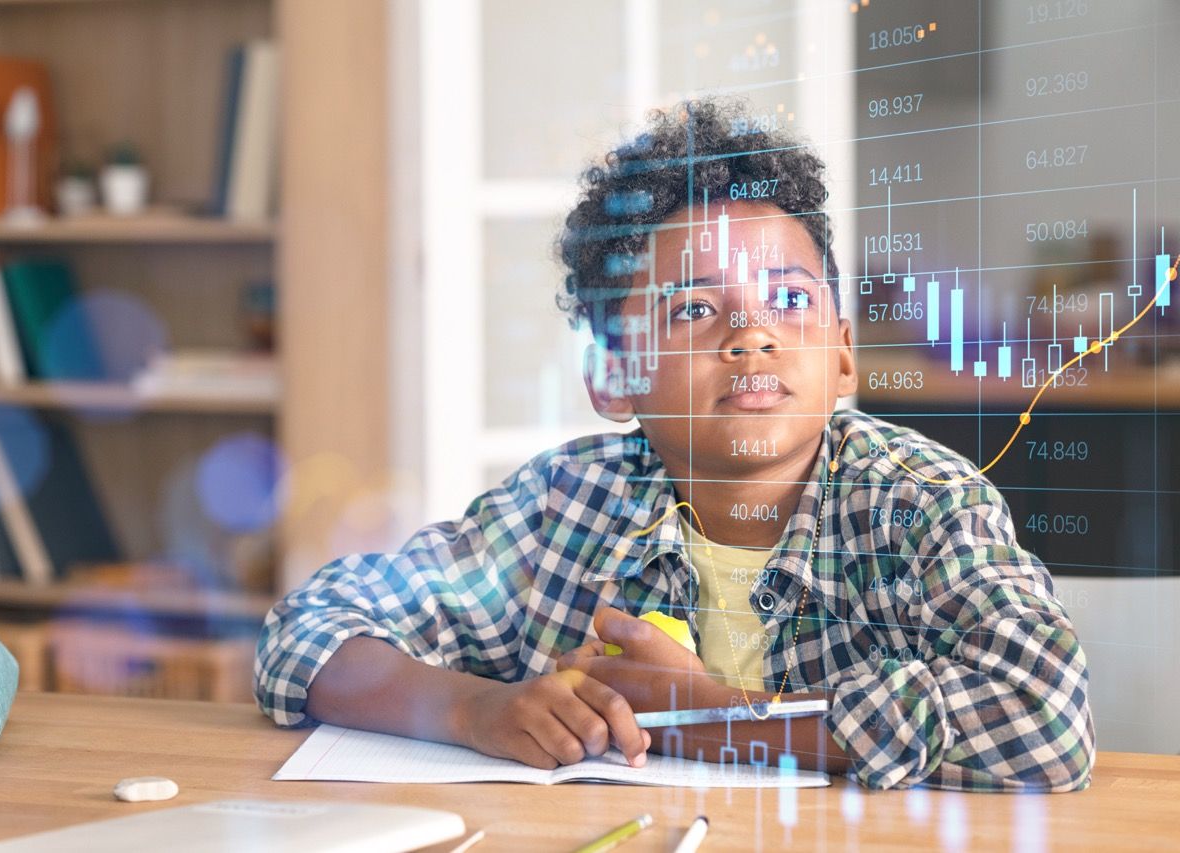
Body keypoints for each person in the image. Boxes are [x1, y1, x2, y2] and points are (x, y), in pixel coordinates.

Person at [255, 99, 1094, 791]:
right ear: (614, 377)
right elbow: (308, 630)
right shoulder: (565, 504)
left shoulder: (921, 501)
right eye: (693, 310)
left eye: (788, 300)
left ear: (842, 352)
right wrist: (475, 709)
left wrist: (724, 716)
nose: (752, 333)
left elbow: (1046, 717)